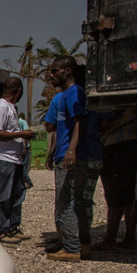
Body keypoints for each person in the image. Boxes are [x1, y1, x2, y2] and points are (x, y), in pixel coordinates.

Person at [44, 56, 87, 261]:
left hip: (68, 156)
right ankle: (70, 243)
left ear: (67, 71)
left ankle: (72, 248)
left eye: (55, 71)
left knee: (66, 202)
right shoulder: (64, 95)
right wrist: (53, 151)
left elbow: (79, 122)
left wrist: (71, 150)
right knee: (67, 201)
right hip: (61, 153)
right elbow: (59, 128)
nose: (52, 75)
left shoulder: (74, 93)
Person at [0, 77, 34, 244]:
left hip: (13, 160)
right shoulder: (1, 107)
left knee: (16, 194)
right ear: (19, 91)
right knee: (2, 195)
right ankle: (1, 229)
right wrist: (21, 134)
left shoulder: (10, 108)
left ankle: (12, 227)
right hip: (2, 159)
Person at [93, 110, 137, 252]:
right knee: (129, 193)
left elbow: (107, 122)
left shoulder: (114, 103)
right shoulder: (136, 102)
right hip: (133, 143)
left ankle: (111, 238)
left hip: (114, 144)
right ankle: (129, 237)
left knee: (113, 194)